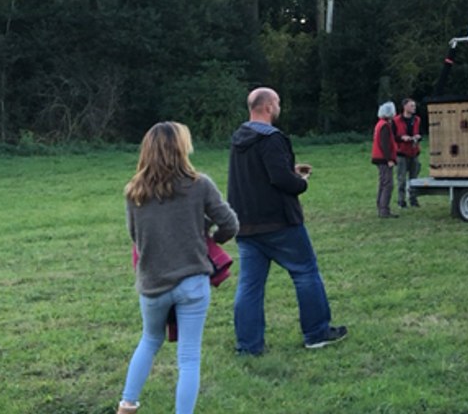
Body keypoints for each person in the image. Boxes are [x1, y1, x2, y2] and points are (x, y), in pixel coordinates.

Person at [119, 121, 239, 414]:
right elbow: (230, 224)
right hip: (192, 282)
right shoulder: (200, 185)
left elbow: (136, 238)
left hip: (152, 283)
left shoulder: (134, 192)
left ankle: (127, 404)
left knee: (149, 340)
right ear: (181, 149)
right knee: (189, 357)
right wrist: (209, 238)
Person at [228, 87, 347, 354]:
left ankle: (248, 346)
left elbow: (259, 175)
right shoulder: (272, 138)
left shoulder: (239, 138)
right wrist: (300, 182)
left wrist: (288, 170)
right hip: (279, 223)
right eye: (278, 102)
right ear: (268, 107)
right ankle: (317, 333)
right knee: (305, 272)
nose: (279, 107)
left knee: (249, 285)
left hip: (246, 224)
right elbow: (281, 181)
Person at [392, 98, 422, 208]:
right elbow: (393, 137)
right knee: (401, 179)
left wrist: (418, 137)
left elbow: (421, 133)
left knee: (414, 178)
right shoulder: (396, 121)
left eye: (414, 106)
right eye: (411, 106)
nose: (414, 108)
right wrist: (402, 138)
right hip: (401, 153)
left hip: (414, 152)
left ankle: (413, 200)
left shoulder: (417, 120)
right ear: (405, 107)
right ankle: (401, 201)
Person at [372, 101, 398, 218]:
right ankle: (384, 210)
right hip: (383, 158)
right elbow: (385, 144)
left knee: (383, 183)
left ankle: (381, 207)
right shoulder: (385, 126)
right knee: (388, 184)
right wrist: (389, 159)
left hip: (379, 157)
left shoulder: (380, 124)